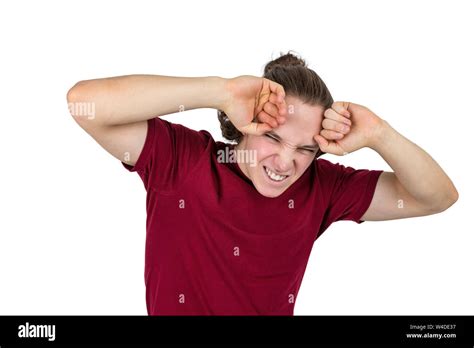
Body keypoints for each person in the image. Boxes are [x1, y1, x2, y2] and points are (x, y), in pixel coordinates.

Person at [67, 51, 458, 315]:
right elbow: (85, 105)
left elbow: (437, 197)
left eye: (305, 149)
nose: (285, 163)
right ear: (244, 124)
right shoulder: (182, 162)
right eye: (272, 138)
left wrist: (378, 134)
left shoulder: (322, 188)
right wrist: (219, 91)